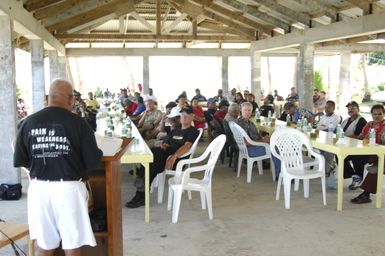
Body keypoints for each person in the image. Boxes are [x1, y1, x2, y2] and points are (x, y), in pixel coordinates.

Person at [13, 79, 103, 256]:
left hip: (39, 189)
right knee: (72, 245)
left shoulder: (28, 122)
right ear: (71, 99)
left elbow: (21, 160)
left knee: (44, 246)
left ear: (48, 97)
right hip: (68, 190)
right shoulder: (79, 123)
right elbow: (93, 162)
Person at [125, 106, 199, 208]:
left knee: (151, 163)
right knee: (152, 153)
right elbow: (166, 143)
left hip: (177, 160)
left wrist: (174, 156)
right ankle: (141, 189)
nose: (183, 118)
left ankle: (141, 188)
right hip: (166, 155)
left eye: (186, 116)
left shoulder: (193, 131)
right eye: (182, 115)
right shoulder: (175, 130)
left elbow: (187, 146)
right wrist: (163, 145)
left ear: (192, 117)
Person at [350, 105, 385, 203]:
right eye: (374, 114)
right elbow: (360, 137)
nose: (377, 116)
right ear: (372, 115)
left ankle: (366, 194)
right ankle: (358, 176)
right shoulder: (369, 124)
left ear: (384, 114)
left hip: (383, 155)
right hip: (371, 153)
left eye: (379, 114)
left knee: (375, 168)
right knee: (353, 156)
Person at [236, 102, 280, 177]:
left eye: (249, 110)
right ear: (241, 110)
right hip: (250, 150)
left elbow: (256, 137)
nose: (247, 112)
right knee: (276, 148)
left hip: (253, 146)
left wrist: (265, 138)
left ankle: (284, 171)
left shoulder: (250, 123)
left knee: (276, 143)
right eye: (245, 110)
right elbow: (246, 142)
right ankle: (279, 174)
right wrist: (263, 141)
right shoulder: (241, 124)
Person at [316, 100, 340, 176]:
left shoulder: (336, 117)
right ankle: (330, 165)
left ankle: (327, 169)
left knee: (328, 151)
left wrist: (322, 127)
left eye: (329, 107)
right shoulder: (324, 116)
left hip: (331, 138)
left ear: (333, 108)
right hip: (321, 137)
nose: (326, 109)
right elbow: (318, 126)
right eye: (326, 107)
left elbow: (331, 129)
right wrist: (323, 127)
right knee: (319, 150)